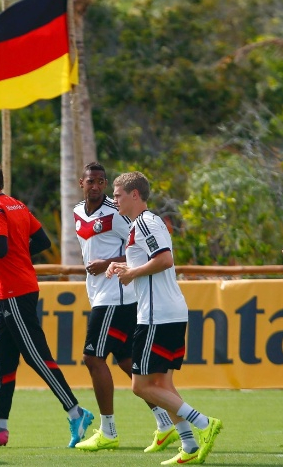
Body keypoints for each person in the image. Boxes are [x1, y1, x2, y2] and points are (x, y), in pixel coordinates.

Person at [0, 157, 94, 448]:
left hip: (14, 293)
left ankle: (76, 412)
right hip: (11, 293)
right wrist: (18, 256)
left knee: (36, 356)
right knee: (3, 359)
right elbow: (42, 242)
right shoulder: (17, 205)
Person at [106, 171, 222, 465]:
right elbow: (149, 259)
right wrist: (121, 266)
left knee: (141, 386)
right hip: (165, 312)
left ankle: (205, 423)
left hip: (157, 316)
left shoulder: (145, 222)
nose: (114, 200)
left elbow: (165, 259)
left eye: (118, 195)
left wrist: (131, 273)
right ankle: (190, 446)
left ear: (134, 195)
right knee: (163, 384)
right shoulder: (143, 224)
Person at [72, 163, 177, 453]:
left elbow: (138, 249)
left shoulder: (116, 212)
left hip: (116, 295)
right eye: (91, 181)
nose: (96, 186)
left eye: (101, 181)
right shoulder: (78, 212)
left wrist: (107, 264)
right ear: (81, 183)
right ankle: (165, 422)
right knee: (127, 362)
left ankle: (108, 431)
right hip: (99, 294)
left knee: (92, 358)